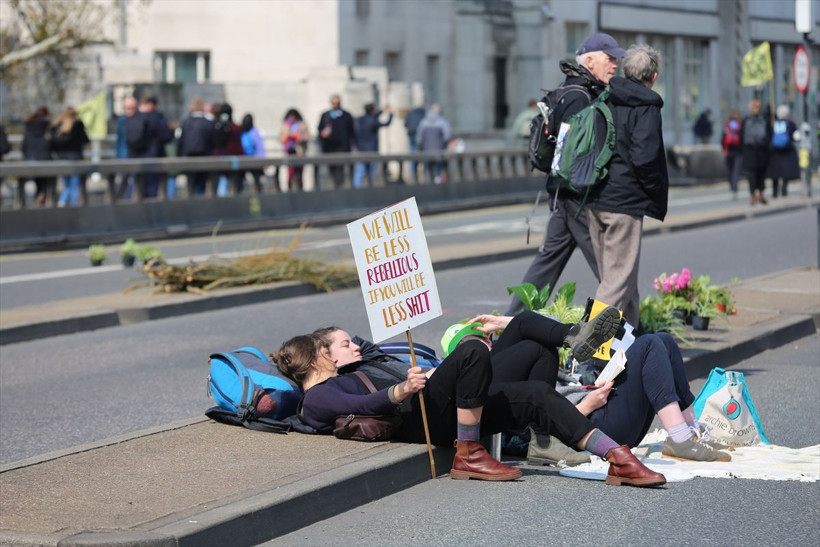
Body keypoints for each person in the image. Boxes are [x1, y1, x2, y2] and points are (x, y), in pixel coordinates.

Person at [274, 315, 666, 487]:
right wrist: (399, 390)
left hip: (430, 402)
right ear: (315, 359)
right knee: (472, 351)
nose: (338, 354)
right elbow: (365, 407)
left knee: (536, 395)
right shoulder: (317, 397)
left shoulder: (357, 366)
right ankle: (468, 452)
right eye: (327, 351)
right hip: (415, 416)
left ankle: (615, 456)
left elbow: (364, 345)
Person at [467, 315, 733, 464]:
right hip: (589, 427)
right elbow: (538, 422)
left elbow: (531, 328)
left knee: (663, 340)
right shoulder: (493, 390)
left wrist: (502, 323)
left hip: (603, 410)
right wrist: (587, 405)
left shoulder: (532, 360)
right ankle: (679, 439)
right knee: (650, 344)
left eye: (490, 339)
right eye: (479, 341)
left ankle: (689, 431)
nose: (489, 342)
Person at [504, 33, 625, 315]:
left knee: (547, 264)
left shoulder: (572, 90)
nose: (615, 64)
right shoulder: (579, 97)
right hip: (578, 197)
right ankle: (632, 328)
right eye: (609, 58)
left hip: (564, 194)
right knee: (611, 269)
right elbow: (573, 154)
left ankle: (511, 322)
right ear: (590, 61)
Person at [585, 44, 668, 328]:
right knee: (615, 285)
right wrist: (653, 190)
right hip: (624, 204)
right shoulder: (647, 106)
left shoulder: (605, 96)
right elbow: (645, 158)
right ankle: (586, 349)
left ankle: (630, 342)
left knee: (620, 280)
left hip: (595, 197)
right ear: (653, 76)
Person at [50, 106, 89, 207]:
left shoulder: (58, 125)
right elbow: (85, 140)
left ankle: (62, 203)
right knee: (74, 185)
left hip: (62, 158)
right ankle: (72, 205)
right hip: (75, 158)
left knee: (67, 185)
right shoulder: (77, 125)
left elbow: (52, 142)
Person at [177, 96, 216, 196]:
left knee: (191, 184)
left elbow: (180, 142)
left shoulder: (185, 123)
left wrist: (179, 157)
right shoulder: (208, 123)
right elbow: (214, 142)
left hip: (188, 158)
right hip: (204, 157)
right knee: (201, 184)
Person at [136, 96, 174, 199]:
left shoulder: (137, 117)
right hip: (155, 155)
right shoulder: (157, 118)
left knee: (141, 188)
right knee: (153, 189)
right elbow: (167, 136)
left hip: (139, 156)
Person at [317, 94, 356, 188]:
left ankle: (339, 185)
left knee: (340, 167)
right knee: (332, 167)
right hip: (329, 147)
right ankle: (335, 184)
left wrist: (354, 146)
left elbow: (351, 131)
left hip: (342, 147)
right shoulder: (325, 115)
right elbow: (320, 129)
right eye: (334, 103)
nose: (335, 105)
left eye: (337, 103)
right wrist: (323, 134)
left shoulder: (346, 115)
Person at [353, 103, 393, 189]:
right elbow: (386, 123)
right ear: (372, 110)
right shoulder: (373, 121)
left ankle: (356, 188)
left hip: (361, 149)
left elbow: (373, 115)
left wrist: (382, 110)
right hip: (371, 149)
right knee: (371, 171)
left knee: (360, 170)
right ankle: (371, 188)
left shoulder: (360, 119)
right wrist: (391, 114)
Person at [741, 98, 772, 206]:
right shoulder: (762, 120)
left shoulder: (747, 120)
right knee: (756, 175)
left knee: (756, 174)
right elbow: (769, 135)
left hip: (754, 151)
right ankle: (756, 194)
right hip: (756, 151)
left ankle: (756, 195)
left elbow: (742, 137)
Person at [22, 106, 54, 206]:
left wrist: (26, 154)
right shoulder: (48, 127)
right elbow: (52, 143)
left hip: (31, 156)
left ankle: (37, 198)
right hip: (44, 156)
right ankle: (41, 197)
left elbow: (25, 144)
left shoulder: (29, 125)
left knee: (35, 180)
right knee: (44, 182)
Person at [767, 104, 800, 198]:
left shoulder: (774, 124)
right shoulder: (790, 124)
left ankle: (775, 191)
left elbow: (769, 136)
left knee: (775, 173)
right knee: (785, 172)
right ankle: (784, 189)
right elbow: (796, 137)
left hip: (775, 152)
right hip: (787, 151)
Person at [212, 103, 245, 196]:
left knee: (223, 185)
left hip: (223, 160)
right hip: (232, 160)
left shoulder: (218, 127)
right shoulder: (234, 128)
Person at [415, 103, 452, 184]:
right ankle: (437, 179)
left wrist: (420, 147)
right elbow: (447, 136)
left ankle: (427, 181)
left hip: (426, 150)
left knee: (428, 167)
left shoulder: (423, 122)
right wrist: (443, 144)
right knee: (438, 167)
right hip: (439, 149)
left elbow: (419, 138)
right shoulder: (442, 122)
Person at [281, 108, 309, 191]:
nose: (292, 118)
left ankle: (300, 189)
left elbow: (307, 137)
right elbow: (281, 138)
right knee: (290, 172)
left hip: (300, 151)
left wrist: (298, 137)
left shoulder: (302, 124)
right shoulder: (285, 125)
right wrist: (287, 136)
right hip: (290, 151)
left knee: (300, 172)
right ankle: (289, 189)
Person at [240, 113, 266, 193]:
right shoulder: (247, 132)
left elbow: (259, 148)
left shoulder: (251, 133)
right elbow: (260, 148)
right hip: (246, 160)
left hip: (252, 160)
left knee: (256, 181)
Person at [721, 110, 743, 200]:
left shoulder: (727, 126)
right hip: (738, 152)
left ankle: (732, 187)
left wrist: (724, 149)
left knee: (730, 171)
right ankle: (734, 188)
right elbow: (742, 139)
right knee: (736, 171)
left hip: (728, 151)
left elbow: (722, 139)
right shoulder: (740, 126)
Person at [404, 103, 425, 182]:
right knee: (423, 156)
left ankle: (412, 174)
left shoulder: (410, 114)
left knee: (412, 156)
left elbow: (405, 124)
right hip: (421, 139)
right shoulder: (423, 114)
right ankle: (424, 174)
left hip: (412, 136)